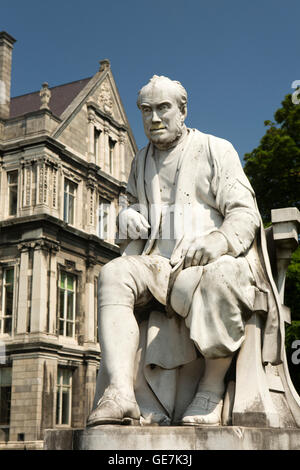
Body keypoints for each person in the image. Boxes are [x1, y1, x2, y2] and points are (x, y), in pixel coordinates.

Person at [87, 75, 283, 427]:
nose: (155, 118)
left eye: (164, 109)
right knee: (112, 273)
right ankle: (120, 393)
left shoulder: (215, 149)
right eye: (146, 111)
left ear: (183, 110)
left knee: (220, 278)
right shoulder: (141, 160)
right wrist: (128, 215)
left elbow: (244, 212)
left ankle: (210, 388)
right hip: (157, 262)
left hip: (213, 257)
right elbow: (133, 205)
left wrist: (220, 240)